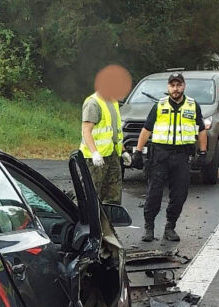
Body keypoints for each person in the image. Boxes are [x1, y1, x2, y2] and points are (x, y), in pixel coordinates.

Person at [132, 72, 208, 242]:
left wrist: (202, 153)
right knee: (154, 193)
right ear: (168, 87)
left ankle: (170, 227)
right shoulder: (159, 105)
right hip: (160, 156)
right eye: (172, 85)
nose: (175, 88)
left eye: (178, 85)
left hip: (181, 157)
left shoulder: (192, 105)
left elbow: (201, 130)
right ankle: (149, 227)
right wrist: (138, 152)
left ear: (184, 86)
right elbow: (146, 129)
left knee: (179, 194)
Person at [80, 79, 124, 207]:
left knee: (113, 195)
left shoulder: (113, 102)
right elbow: (86, 131)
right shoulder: (93, 103)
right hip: (95, 159)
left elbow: (114, 131)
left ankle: (108, 224)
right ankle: (89, 224)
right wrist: (95, 153)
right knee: (92, 195)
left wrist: (124, 151)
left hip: (112, 155)